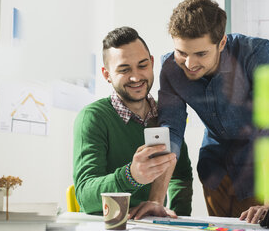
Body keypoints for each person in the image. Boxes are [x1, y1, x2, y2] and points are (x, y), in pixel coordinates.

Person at [157, 0, 269, 223]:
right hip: (214, 168)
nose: (189, 64)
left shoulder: (255, 53)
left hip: (259, 166)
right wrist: (156, 202)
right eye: (182, 53)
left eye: (200, 53)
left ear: (222, 43)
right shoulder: (170, 68)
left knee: (259, 224)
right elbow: (170, 134)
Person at [73, 26, 193, 219]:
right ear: (107, 75)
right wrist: (131, 176)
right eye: (124, 69)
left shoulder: (167, 116)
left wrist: (176, 216)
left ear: (152, 62)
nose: (136, 77)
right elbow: (85, 196)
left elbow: (181, 175)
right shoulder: (93, 117)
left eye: (142, 65)